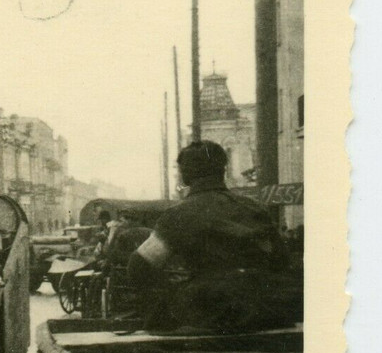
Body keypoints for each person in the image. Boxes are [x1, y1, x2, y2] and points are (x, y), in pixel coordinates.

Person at [128, 140, 301, 332]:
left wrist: (170, 291)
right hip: (268, 309)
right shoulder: (254, 208)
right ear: (223, 170)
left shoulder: (178, 214)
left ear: (185, 177)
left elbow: (138, 266)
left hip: (208, 310)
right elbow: (282, 260)